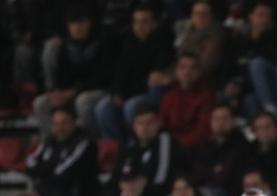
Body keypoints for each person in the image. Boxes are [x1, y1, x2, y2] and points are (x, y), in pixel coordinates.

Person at [94, 3, 174, 140]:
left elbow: (151, 79)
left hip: (147, 94)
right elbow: (119, 72)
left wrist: (125, 95)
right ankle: (115, 148)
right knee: (103, 107)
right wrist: (117, 93)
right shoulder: (129, 42)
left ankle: (134, 145)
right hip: (128, 93)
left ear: (154, 23)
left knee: (132, 106)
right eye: (136, 22)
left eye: (144, 21)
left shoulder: (164, 44)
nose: (139, 26)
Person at [32, 4, 110, 137]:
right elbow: (61, 75)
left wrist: (73, 91)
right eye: (73, 24)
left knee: (83, 101)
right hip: (70, 92)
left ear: (88, 24)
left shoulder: (102, 43)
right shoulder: (65, 47)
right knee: (40, 103)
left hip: (98, 90)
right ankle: (51, 143)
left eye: (80, 24)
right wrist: (56, 92)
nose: (76, 28)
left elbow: (102, 77)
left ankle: (91, 141)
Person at [189, 103, 251, 196]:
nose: (220, 123)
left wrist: (211, 171)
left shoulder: (241, 143)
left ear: (232, 121)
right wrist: (213, 171)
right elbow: (196, 171)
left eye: (225, 118)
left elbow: (226, 176)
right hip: (205, 189)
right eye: (217, 119)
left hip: (229, 194)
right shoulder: (206, 144)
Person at [158, 53, 214, 149]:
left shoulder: (207, 96)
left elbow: (202, 131)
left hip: (194, 148)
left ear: (199, 72)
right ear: (176, 71)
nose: (187, 72)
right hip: (170, 147)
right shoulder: (169, 97)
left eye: (193, 68)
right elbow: (161, 125)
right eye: (182, 67)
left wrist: (178, 146)